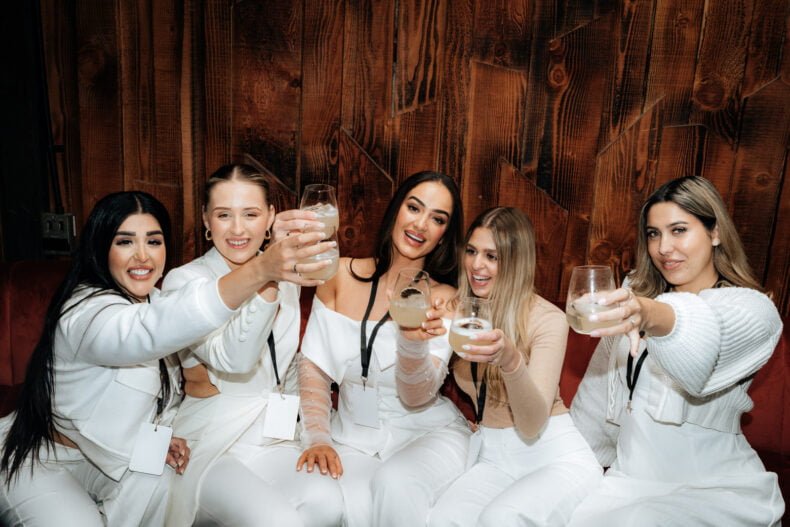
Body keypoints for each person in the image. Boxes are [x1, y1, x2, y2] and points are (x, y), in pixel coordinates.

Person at [0, 190, 330, 527]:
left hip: (116, 460)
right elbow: (151, 331)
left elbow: (164, 394)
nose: (142, 256)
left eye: (154, 242)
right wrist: (261, 269)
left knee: (161, 478)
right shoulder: (86, 313)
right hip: (42, 458)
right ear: (101, 248)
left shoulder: (156, 301)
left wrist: (163, 435)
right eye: (125, 242)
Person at [568, 176, 785, 526]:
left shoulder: (753, 311)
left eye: (679, 230)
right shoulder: (631, 298)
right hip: (626, 482)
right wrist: (569, 465)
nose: (664, 247)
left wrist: (649, 313)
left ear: (715, 233)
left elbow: (699, 352)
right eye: (654, 234)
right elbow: (595, 401)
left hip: (712, 488)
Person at [162, 164, 338, 526]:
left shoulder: (288, 279)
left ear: (271, 217)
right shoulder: (185, 283)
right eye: (224, 215)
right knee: (278, 521)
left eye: (251, 214)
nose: (238, 229)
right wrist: (267, 276)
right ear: (206, 220)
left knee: (329, 505)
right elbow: (236, 359)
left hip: (274, 436)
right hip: (214, 440)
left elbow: (288, 368)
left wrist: (312, 437)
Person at [293, 170, 471, 526]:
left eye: (437, 219)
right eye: (414, 208)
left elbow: (418, 395)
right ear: (396, 210)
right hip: (351, 437)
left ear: (443, 236)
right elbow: (313, 368)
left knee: (395, 484)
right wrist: (317, 439)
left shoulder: (445, 299)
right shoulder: (339, 274)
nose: (420, 224)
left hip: (425, 434)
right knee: (333, 504)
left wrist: (411, 342)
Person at [425, 207, 601, 526]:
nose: (476, 265)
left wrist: (511, 361)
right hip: (494, 456)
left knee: (501, 518)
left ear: (516, 262)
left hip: (554, 456)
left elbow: (532, 423)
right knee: (443, 519)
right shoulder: (460, 311)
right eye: (472, 251)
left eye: (492, 256)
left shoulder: (547, 319)